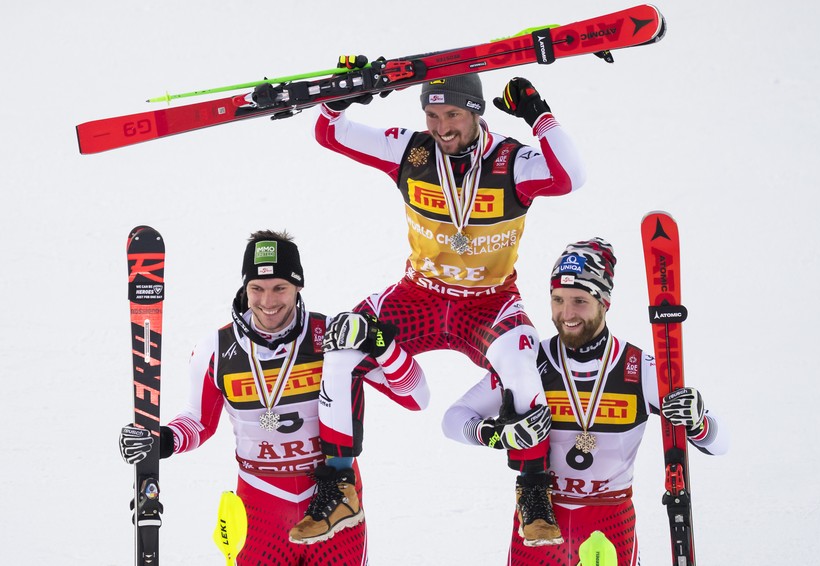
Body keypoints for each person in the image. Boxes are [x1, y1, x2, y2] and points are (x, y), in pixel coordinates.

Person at [290, 68, 586, 547]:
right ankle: (339, 486)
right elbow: (329, 132)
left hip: (487, 304)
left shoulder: (511, 161)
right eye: (431, 114)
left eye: (452, 114)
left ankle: (534, 495)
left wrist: (539, 115)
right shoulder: (412, 150)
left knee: (522, 364)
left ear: (475, 111)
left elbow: (570, 176)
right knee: (340, 347)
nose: (441, 126)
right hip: (419, 296)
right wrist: (344, 96)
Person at [118, 230, 429, 565]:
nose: (268, 302)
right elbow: (198, 422)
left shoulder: (332, 336)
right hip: (259, 508)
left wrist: (384, 346)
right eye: (257, 289)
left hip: (334, 505)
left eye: (280, 288)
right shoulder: (217, 348)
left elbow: (413, 397)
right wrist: (164, 440)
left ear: (298, 286)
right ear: (245, 288)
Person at [441, 238, 729, 565]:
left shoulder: (638, 369)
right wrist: (495, 434)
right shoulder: (529, 361)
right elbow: (453, 419)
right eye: (557, 299)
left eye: (579, 300)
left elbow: (721, 443)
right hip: (540, 517)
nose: (566, 314)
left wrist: (699, 421)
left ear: (604, 301)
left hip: (609, 519)